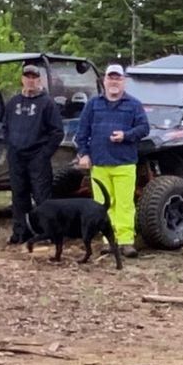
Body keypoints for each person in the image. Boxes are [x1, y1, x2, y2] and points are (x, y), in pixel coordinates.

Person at [74, 63, 151, 256]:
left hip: (124, 163)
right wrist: (83, 154)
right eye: (111, 78)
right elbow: (81, 132)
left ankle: (126, 241)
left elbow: (144, 128)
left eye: (118, 78)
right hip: (99, 164)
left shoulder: (133, 104)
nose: (114, 81)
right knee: (101, 205)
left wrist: (126, 135)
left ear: (123, 81)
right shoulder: (93, 104)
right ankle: (109, 240)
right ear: (104, 81)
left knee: (124, 203)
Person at [4, 63, 65, 246]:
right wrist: (11, 147)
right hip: (17, 157)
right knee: (18, 196)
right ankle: (20, 232)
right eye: (27, 77)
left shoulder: (47, 103)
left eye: (34, 77)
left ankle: (48, 232)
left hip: (38, 157)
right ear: (22, 79)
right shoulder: (13, 103)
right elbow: (6, 127)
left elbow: (57, 132)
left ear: (39, 80)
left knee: (41, 197)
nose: (30, 81)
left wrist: (44, 154)